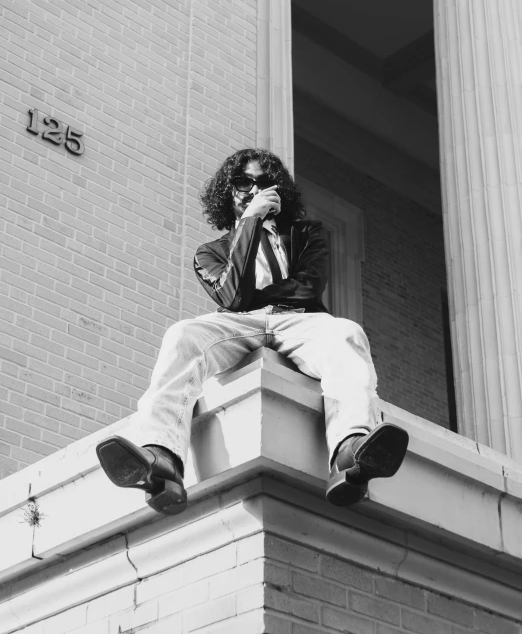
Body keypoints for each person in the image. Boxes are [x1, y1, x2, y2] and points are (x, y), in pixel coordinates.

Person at [96, 148, 408, 515]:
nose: (253, 189)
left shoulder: (308, 234)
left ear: (279, 193)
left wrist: (250, 294)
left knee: (346, 333)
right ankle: (160, 459)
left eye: (264, 182)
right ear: (227, 192)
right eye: (243, 182)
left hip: (298, 319)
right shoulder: (209, 252)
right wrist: (250, 222)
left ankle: (351, 451)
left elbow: (306, 290)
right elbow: (230, 297)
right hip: (237, 325)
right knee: (182, 335)